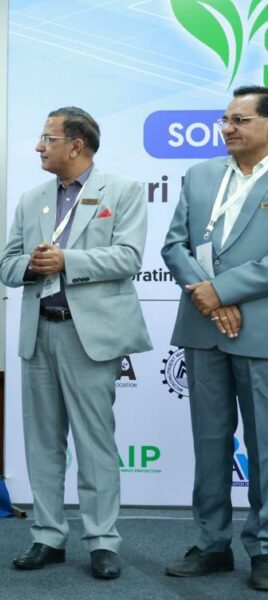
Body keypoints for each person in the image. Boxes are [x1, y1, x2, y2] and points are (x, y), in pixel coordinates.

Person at [0, 106, 151, 580]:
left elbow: (128, 257)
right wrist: (31, 265)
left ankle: (102, 540)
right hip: (39, 331)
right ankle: (47, 535)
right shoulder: (32, 199)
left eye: (48, 139)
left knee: (94, 441)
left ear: (76, 145)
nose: (39, 147)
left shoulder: (122, 191)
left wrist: (67, 261)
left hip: (90, 336)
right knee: (42, 442)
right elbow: (6, 265)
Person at [162, 85, 268, 591]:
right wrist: (209, 297)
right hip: (203, 328)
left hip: (259, 332)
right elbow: (174, 245)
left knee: (264, 446)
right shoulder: (201, 174)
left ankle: (264, 548)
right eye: (226, 120)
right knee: (209, 443)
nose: (227, 128)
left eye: (240, 120)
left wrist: (221, 291)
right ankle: (211, 544)